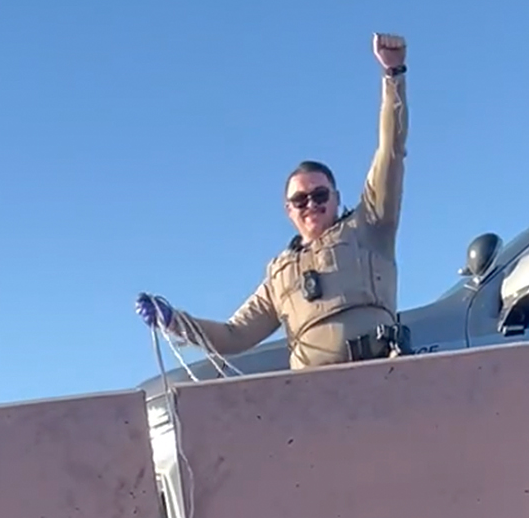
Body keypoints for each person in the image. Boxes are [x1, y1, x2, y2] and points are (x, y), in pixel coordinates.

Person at [136, 32, 409, 370]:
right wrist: (173, 320)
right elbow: (235, 335)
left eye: (320, 195)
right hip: (315, 397)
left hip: (382, 377)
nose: (311, 204)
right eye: (300, 199)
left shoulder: (370, 227)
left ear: (337, 198)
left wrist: (393, 76)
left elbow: (391, 154)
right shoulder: (279, 275)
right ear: (288, 210)